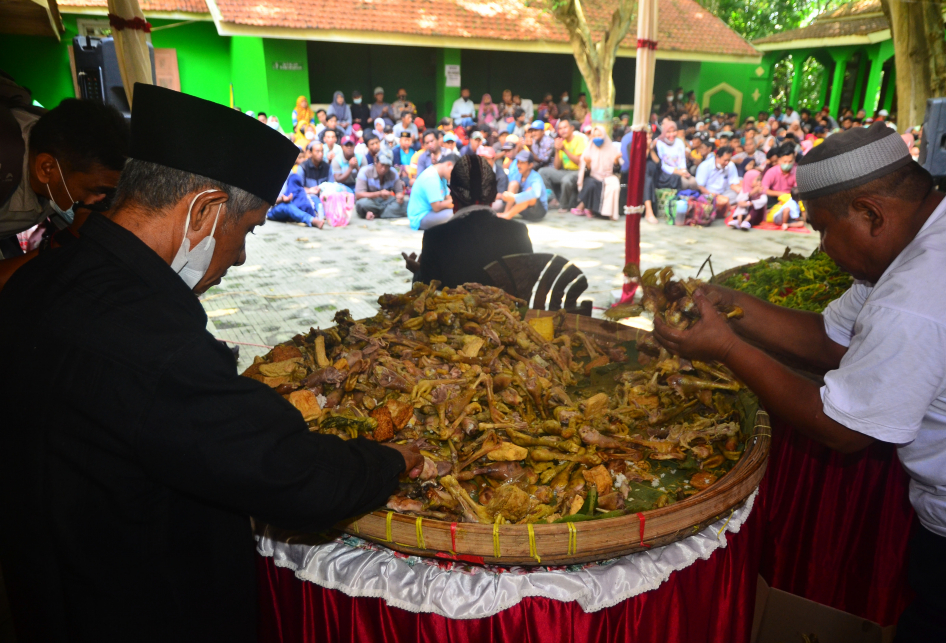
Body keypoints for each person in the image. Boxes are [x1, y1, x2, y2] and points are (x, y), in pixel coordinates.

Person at [0, 83, 423, 642]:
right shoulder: (155, 343)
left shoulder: (34, 279)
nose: (241, 257)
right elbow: (297, 477)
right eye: (246, 230)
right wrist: (391, 458)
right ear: (204, 210)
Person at [653, 123, 946, 643]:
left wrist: (725, 348)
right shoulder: (917, 239)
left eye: (823, 228)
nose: (823, 246)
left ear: (871, 213)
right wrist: (729, 307)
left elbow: (844, 428)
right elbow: (831, 339)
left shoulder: (917, 291)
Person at [0, 98, 128, 261]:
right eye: (96, 191)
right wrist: (57, 244)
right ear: (47, 168)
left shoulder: (63, 150)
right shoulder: (5, 169)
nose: (98, 202)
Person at [405, 154, 533, 289]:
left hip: (454, 310)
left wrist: (418, 272)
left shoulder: (435, 237)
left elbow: (425, 291)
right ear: (492, 194)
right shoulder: (518, 231)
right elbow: (528, 281)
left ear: (453, 195)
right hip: (508, 309)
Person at [539, 119, 587, 212]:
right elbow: (556, 167)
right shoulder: (562, 142)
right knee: (542, 172)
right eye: (560, 128)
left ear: (572, 128)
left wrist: (564, 149)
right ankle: (553, 200)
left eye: (565, 127)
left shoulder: (580, 140)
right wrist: (557, 150)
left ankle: (564, 206)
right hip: (565, 171)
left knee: (567, 180)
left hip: (579, 171)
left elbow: (580, 162)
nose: (562, 130)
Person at [575, 125, 621, 220]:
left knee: (614, 183)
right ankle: (593, 210)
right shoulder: (589, 149)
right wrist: (588, 164)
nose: (597, 138)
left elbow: (617, 170)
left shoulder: (611, 148)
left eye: (599, 135)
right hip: (593, 176)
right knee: (593, 183)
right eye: (595, 136)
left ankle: (609, 213)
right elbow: (585, 174)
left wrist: (616, 161)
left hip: (608, 176)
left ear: (604, 135)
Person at [407, 154, 457, 231]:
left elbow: (448, 197)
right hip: (420, 217)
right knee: (454, 214)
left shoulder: (442, 177)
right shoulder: (431, 177)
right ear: (449, 164)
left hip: (432, 212)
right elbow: (437, 207)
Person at [354, 150, 406, 220]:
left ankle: (376, 214)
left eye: (387, 166)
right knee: (361, 204)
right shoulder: (364, 171)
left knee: (406, 204)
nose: (384, 169)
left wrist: (400, 196)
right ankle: (385, 213)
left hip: (387, 201)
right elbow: (359, 195)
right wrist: (379, 194)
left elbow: (399, 192)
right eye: (382, 165)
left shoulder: (393, 173)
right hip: (371, 201)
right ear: (376, 161)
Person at [499, 150, 547, 222]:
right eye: (518, 162)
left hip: (537, 211)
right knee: (513, 184)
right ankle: (506, 212)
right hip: (523, 209)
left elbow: (536, 194)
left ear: (530, 165)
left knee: (529, 191)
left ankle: (508, 215)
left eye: (522, 163)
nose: (518, 165)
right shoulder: (517, 174)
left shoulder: (535, 177)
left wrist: (514, 197)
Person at [695, 144, 740, 217]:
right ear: (717, 157)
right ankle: (726, 207)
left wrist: (741, 191)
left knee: (740, 196)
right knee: (708, 202)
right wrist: (716, 196)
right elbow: (700, 187)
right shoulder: (705, 166)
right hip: (708, 194)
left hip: (724, 194)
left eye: (729, 160)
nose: (727, 163)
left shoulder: (730, 165)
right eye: (725, 160)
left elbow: (733, 184)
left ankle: (725, 206)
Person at [654, 118, 699, 190]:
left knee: (693, 182)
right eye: (668, 132)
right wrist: (677, 172)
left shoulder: (679, 142)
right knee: (684, 183)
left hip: (680, 170)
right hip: (666, 173)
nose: (671, 134)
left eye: (674, 131)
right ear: (664, 132)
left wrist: (684, 171)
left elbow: (682, 159)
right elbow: (662, 165)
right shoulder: (659, 143)